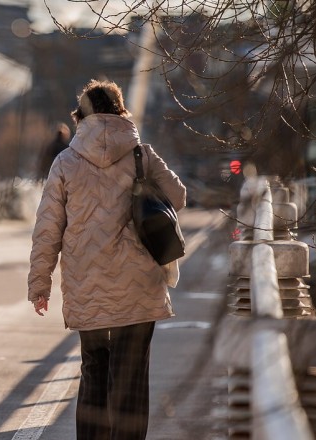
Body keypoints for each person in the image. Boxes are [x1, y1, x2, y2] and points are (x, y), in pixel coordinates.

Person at [27, 79, 186, 440]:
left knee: (94, 372)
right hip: (139, 284)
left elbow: (47, 229)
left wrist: (40, 284)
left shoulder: (65, 162)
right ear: (120, 111)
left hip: (88, 286)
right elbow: (179, 196)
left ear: (80, 116)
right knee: (130, 380)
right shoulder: (141, 154)